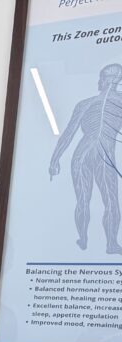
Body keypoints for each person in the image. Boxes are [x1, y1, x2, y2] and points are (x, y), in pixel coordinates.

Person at [49, 62, 122, 253]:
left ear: (107, 80)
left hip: (81, 154)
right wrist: (54, 159)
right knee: (111, 200)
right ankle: (111, 244)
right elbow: (67, 133)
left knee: (83, 199)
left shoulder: (85, 103)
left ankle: (83, 239)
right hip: (104, 153)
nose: (100, 81)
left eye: (102, 77)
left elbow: (69, 134)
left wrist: (55, 160)